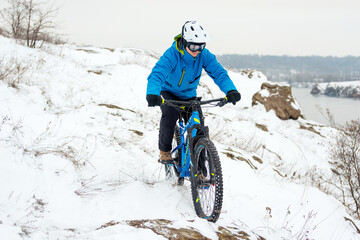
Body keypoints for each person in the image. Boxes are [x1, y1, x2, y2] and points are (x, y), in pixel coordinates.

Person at [146, 21, 241, 163]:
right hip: (169, 93)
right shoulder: (172, 54)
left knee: (199, 127)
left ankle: (201, 171)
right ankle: (165, 150)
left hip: (189, 96)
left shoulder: (204, 55)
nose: (197, 50)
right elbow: (157, 74)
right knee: (170, 115)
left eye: (201, 46)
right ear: (184, 42)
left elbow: (218, 72)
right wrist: (153, 93)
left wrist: (231, 90)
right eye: (193, 46)